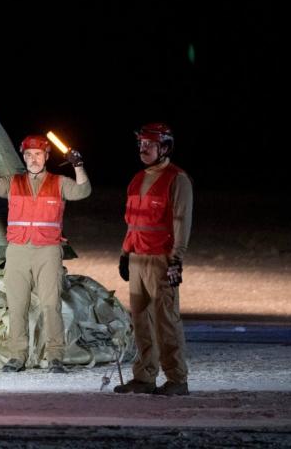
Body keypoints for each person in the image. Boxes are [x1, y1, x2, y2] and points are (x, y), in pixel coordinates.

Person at [0, 133, 90, 373]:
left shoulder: (59, 183)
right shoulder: (12, 182)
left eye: (38, 154)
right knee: (16, 305)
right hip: (17, 251)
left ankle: (55, 357)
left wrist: (78, 166)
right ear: (24, 157)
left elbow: (82, 191)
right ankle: (17, 356)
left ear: (46, 156)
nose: (33, 159)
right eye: (28, 154)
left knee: (50, 305)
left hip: (47, 251)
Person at [113, 122, 193, 396]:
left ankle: (176, 378)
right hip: (137, 258)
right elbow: (132, 223)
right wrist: (125, 253)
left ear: (165, 147)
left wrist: (176, 260)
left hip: (161, 259)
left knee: (166, 320)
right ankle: (144, 376)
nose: (143, 149)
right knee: (141, 320)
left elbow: (182, 222)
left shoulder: (176, 179)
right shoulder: (137, 179)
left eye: (149, 144)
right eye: (141, 144)